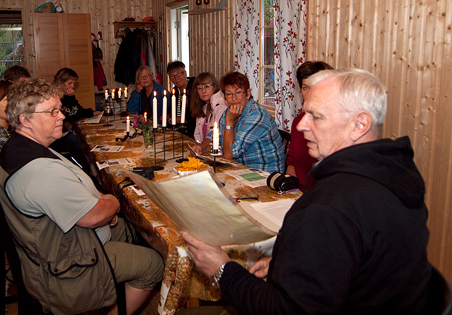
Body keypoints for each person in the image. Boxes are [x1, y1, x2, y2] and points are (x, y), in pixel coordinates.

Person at [181, 68, 432, 314]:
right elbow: (357, 264)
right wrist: (288, 261)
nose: (301, 126)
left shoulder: (329, 208)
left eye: (317, 116)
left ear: (360, 124)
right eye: (305, 113)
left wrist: (223, 270)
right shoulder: (390, 174)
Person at [0, 79, 164, 315]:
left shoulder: (19, 149)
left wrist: (103, 206)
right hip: (69, 266)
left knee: (138, 229)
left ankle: (126, 285)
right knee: (153, 264)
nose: (61, 115)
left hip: (63, 241)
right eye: (52, 111)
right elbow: (93, 217)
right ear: (25, 120)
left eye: (59, 108)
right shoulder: (38, 170)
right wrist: (112, 202)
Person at [192, 72, 285, 174]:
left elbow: (230, 154)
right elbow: (214, 135)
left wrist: (229, 120)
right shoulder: (230, 111)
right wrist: (201, 147)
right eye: (229, 94)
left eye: (238, 92)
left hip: (263, 175)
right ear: (225, 97)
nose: (233, 98)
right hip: (239, 168)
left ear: (248, 93)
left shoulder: (256, 115)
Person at [286, 61, 333, 191]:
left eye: (315, 86)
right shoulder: (299, 122)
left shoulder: (336, 124)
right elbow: (291, 164)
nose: (310, 93)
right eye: (305, 87)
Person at [190, 72, 228, 143]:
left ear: (214, 86)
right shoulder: (203, 108)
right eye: (200, 88)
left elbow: (220, 137)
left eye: (207, 86)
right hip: (203, 150)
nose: (203, 91)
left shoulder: (222, 107)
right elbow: (197, 135)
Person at [167, 61, 196, 138]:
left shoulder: (195, 88)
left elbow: (197, 114)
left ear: (185, 73)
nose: (176, 78)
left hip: (193, 131)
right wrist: (168, 115)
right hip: (178, 131)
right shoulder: (174, 91)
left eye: (179, 74)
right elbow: (171, 110)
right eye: (172, 76)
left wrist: (181, 119)